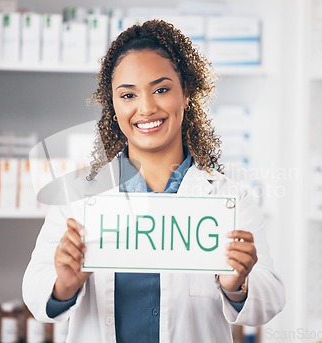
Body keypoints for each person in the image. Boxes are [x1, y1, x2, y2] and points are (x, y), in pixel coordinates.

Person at [22, 19, 285, 343]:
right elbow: (34, 287)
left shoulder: (226, 197)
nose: (146, 108)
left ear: (186, 92)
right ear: (114, 107)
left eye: (161, 89)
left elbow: (270, 298)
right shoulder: (79, 196)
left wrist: (237, 285)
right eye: (128, 95)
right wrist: (63, 286)